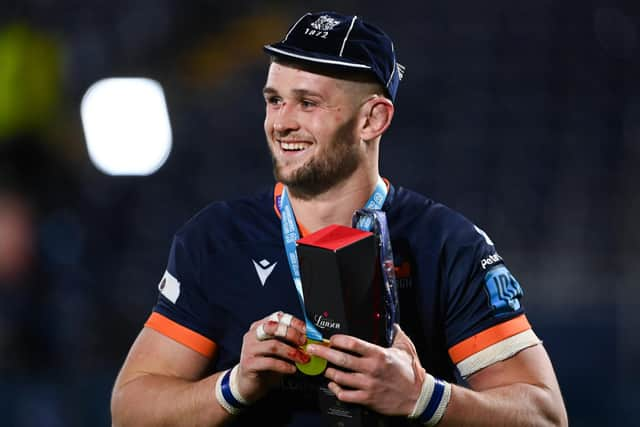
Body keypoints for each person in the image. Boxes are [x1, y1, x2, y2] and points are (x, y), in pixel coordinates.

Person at [111, 11, 567, 427]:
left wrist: (423, 396)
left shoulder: (446, 244)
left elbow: (545, 416)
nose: (281, 122)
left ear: (372, 119)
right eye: (274, 100)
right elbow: (130, 409)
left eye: (307, 104)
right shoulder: (215, 238)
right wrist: (232, 386)